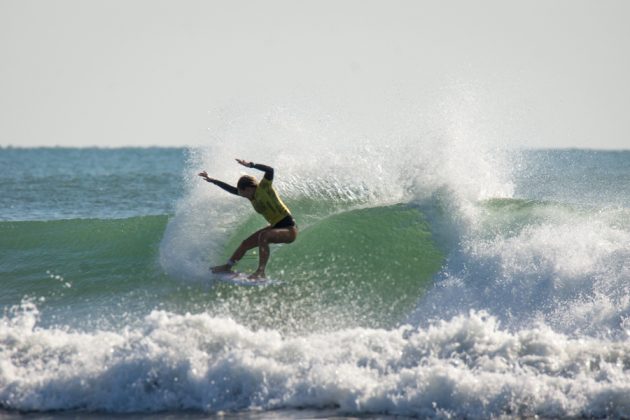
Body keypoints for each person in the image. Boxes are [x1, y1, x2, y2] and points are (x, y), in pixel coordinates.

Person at [198, 159, 298, 279]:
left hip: (289, 229)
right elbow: (232, 190)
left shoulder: (264, 187)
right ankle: (227, 267)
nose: (242, 195)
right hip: (275, 227)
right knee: (245, 243)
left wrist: (251, 165)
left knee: (264, 236)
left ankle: (261, 272)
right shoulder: (251, 197)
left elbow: (270, 170)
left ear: (249, 189)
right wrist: (212, 180)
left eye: (243, 192)